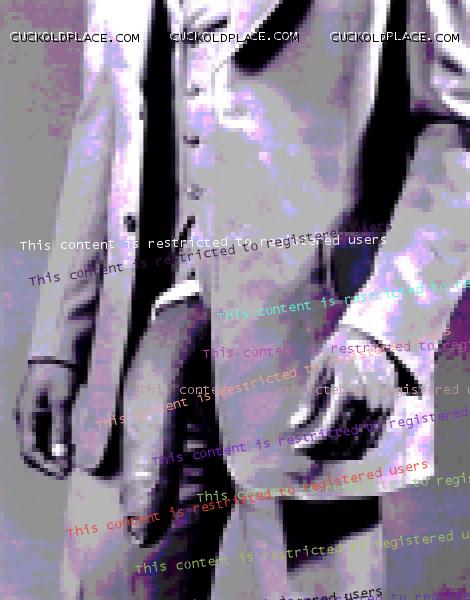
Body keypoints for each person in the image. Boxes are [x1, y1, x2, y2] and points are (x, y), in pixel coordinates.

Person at [15, 0, 470, 598]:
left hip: (313, 349)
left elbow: (458, 135)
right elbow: (103, 123)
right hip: (133, 342)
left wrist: (384, 331)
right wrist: (58, 340)